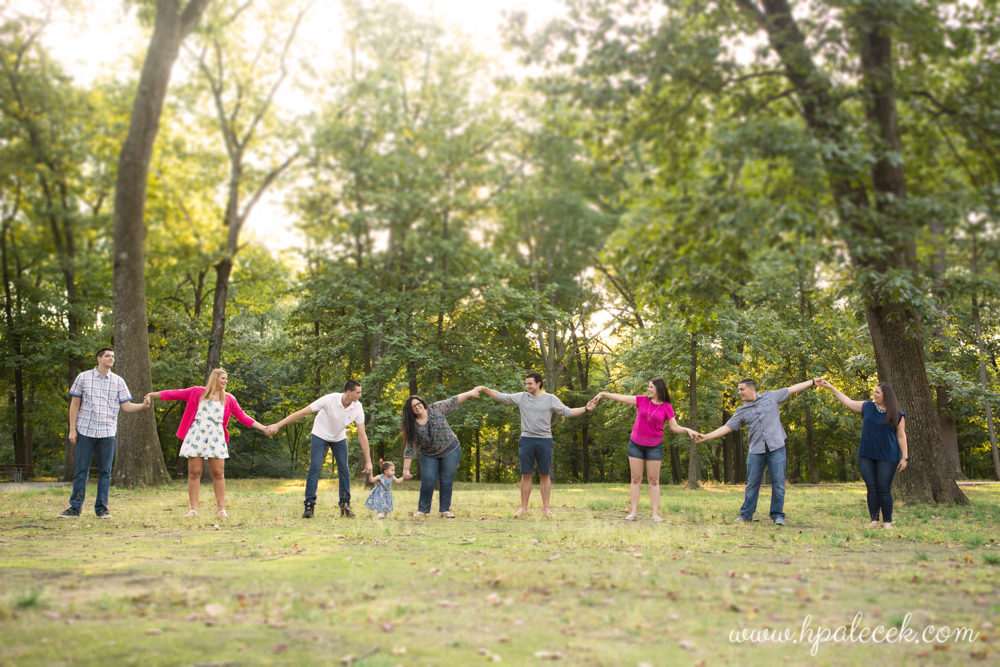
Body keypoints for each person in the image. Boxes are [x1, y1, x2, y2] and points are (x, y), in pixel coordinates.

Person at [696, 377, 820, 525]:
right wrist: (706, 437)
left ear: (752, 389)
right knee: (752, 484)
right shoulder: (741, 411)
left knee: (779, 484)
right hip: (756, 451)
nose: (739, 392)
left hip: (777, 448)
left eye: (741, 389)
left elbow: (793, 389)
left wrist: (812, 382)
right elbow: (727, 427)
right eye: (739, 389)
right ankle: (745, 515)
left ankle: (777, 515)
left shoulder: (771, 397)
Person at [147, 368, 269, 518]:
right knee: (194, 472)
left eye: (226, 379)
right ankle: (193, 509)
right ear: (215, 378)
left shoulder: (229, 398)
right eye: (223, 378)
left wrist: (263, 428)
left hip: (216, 437)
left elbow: (242, 416)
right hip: (197, 435)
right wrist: (152, 395)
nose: (225, 381)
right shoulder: (197, 392)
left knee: (218, 473)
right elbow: (174, 393)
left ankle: (221, 510)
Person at [59, 347, 150, 519]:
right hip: (86, 430)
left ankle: (101, 509)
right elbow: (74, 404)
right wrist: (72, 429)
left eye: (113, 356)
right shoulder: (83, 377)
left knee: (105, 472)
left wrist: (142, 406)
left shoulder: (118, 381)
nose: (111, 359)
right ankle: (74, 508)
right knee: (81, 471)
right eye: (108, 356)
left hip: (107, 432)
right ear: (98, 358)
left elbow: (126, 406)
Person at [483, 373, 592, 518]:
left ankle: (546, 509)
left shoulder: (550, 399)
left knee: (544, 474)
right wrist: (484, 389)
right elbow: (502, 397)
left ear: (538, 383)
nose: (527, 386)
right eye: (526, 384)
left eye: (530, 384)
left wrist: (586, 408)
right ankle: (523, 508)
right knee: (526, 474)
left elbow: (567, 412)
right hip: (526, 440)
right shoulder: (522, 397)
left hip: (544, 440)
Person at [589, 379, 698, 521]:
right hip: (636, 445)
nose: (649, 389)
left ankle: (655, 514)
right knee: (636, 479)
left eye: (651, 387)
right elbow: (621, 397)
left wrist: (687, 430)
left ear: (659, 389)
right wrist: (603, 394)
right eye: (648, 387)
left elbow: (674, 427)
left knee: (653, 480)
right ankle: (633, 512)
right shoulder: (641, 400)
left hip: (654, 447)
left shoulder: (667, 407)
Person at [270, 379, 372, 519]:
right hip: (320, 434)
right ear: (348, 392)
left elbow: (362, 434)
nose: (360, 395)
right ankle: (309, 505)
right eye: (357, 392)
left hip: (338, 437)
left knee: (344, 470)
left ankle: (345, 505)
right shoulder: (329, 400)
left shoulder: (357, 407)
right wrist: (278, 425)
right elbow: (303, 412)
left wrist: (368, 461)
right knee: (315, 467)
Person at [815, 378, 908, 529]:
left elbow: (901, 436)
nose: (874, 394)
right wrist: (831, 387)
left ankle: (887, 522)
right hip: (867, 455)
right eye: (874, 392)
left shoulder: (897, 414)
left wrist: (904, 457)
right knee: (871, 487)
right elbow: (848, 401)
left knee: (884, 488)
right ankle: (874, 520)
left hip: (888, 457)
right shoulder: (867, 407)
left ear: (886, 395)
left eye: (877, 392)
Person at [400, 387, 482, 518]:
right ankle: (422, 510)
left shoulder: (436, 409)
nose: (417, 407)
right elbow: (410, 447)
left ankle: (445, 510)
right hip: (429, 454)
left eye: (418, 403)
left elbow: (453, 400)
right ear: (410, 411)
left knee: (446, 480)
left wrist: (471, 393)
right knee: (428, 480)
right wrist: (406, 469)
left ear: (422, 403)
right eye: (413, 407)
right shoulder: (412, 425)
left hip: (450, 449)